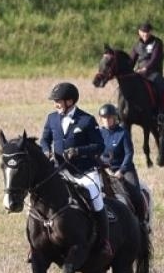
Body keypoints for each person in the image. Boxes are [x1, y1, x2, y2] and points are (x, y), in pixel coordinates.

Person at [40, 82, 111, 256]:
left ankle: (105, 242)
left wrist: (78, 151)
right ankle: (37, 243)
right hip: (60, 170)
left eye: (58, 101)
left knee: (96, 199)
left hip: (84, 171)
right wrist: (46, 151)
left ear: (70, 101)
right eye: (55, 101)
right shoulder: (52, 118)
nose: (55, 104)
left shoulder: (86, 120)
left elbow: (99, 146)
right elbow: (44, 140)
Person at [97, 103, 149, 230]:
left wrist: (121, 170)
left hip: (123, 169)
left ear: (115, 118)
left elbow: (129, 153)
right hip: (103, 169)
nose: (107, 121)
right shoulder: (98, 133)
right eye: (104, 118)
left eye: (109, 118)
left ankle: (142, 223)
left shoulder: (123, 133)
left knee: (135, 193)